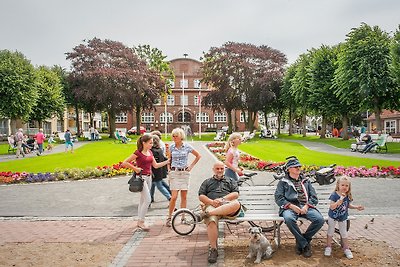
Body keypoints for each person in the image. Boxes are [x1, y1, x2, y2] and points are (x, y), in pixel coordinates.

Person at [274, 157, 324, 258]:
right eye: (295, 166)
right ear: (289, 169)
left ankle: (302, 240)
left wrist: (306, 206)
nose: (298, 168)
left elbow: (314, 197)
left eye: (299, 166)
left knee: (319, 220)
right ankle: (305, 245)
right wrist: (291, 206)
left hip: (306, 207)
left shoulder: (306, 181)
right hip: (290, 207)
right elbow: (278, 198)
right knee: (288, 218)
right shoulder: (283, 182)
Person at [196, 161, 242, 264]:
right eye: (217, 169)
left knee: (236, 204)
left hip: (227, 207)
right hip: (212, 206)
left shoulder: (231, 180)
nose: (220, 170)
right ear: (213, 169)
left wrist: (222, 199)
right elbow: (201, 196)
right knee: (211, 221)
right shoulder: (207, 182)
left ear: (224, 169)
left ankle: (206, 214)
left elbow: (235, 194)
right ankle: (213, 249)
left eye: (221, 168)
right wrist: (212, 202)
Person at [121, 134, 169, 230]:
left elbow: (155, 165)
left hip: (149, 178)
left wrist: (166, 162)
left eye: (152, 143)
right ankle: (141, 221)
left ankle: (139, 221)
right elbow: (124, 162)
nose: (152, 145)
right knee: (147, 200)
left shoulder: (150, 152)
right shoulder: (138, 153)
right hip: (141, 178)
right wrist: (135, 168)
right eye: (150, 143)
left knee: (142, 200)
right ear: (144, 143)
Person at [165, 127, 201, 227]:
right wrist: (169, 169)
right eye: (173, 136)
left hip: (184, 173)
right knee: (174, 197)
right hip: (175, 173)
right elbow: (169, 159)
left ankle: (183, 217)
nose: (174, 137)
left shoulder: (187, 146)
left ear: (181, 137)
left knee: (184, 197)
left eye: (176, 136)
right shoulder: (171, 147)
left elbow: (198, 155)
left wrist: (191, 166)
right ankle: (169, 217)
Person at [325, 176, 364, 259]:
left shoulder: (347, 195)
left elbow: (348, 205)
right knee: (330, 231)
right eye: (342, 185)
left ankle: (346, 248)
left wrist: (356, 207)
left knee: (344, 232)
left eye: (347, 186)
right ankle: (328, 246)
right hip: (333, 216)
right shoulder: (334, 195)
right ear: (338, 185)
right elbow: (332, 207)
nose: (344, 187)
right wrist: (338, 202)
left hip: (343, 217)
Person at [150, 135, 171, 204]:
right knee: (153, 185)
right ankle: (151, 198)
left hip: (155, 171)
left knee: (159, 185)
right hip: (160, 171)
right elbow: (164, 158)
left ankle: (169, 197)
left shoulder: (152, 151)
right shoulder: (159, 150)